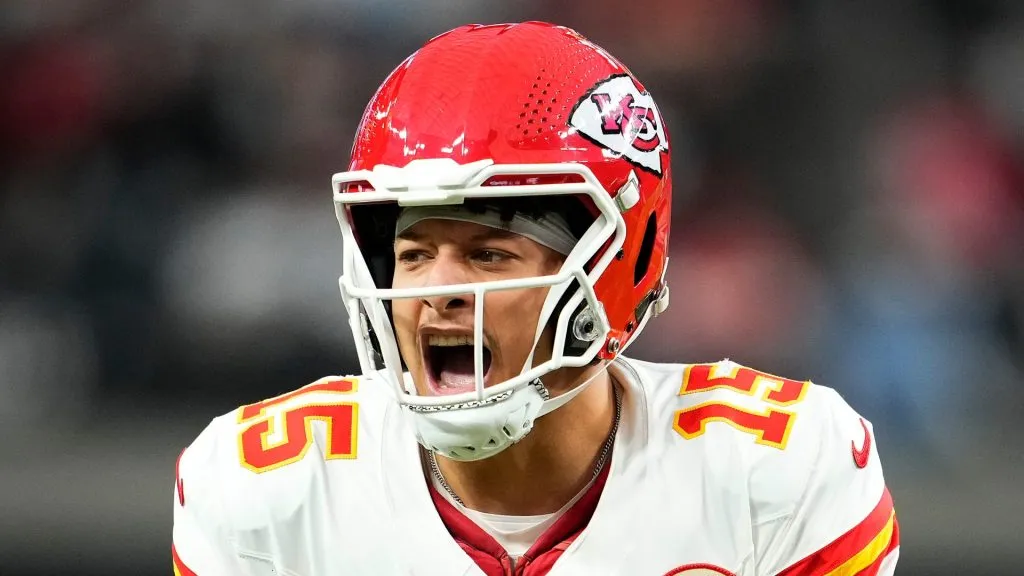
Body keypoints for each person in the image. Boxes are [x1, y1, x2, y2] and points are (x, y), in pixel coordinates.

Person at [172, 21, 899, 575]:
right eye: (414, 254)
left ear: (617, 266)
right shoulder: (264, 492)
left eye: (488, 254)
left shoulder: (776, 470)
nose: (438, 293)